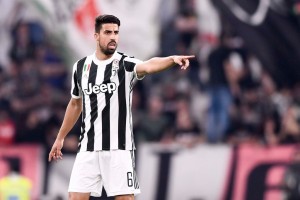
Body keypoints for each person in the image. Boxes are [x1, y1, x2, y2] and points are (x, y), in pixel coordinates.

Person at [48, 14, 194, 200]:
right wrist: (60, 137)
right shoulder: (81, 67)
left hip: (118, 150)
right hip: (88, 148)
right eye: (108, 32)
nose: (113, 37)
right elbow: (76, 103)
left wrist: (171, 59)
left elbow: (148, 66)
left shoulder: (124, 63)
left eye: (116, 33)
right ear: (96, 36)